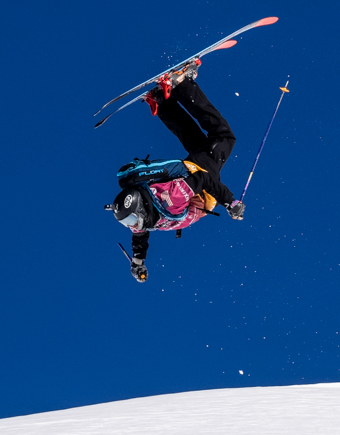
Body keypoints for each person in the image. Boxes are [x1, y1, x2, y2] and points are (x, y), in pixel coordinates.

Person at [105, 72, 245, 281]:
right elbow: (139, 237)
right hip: (196, 185)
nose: (132, 226)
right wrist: (138, 262)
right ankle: (162, 101)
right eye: (128, 222)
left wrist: (229, 202)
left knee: (224, 137)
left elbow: (205, 179)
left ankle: (180, 85)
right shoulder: (143, 219)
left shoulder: (171, 198)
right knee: (197, 141)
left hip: (203, 186)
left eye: (131, 220)